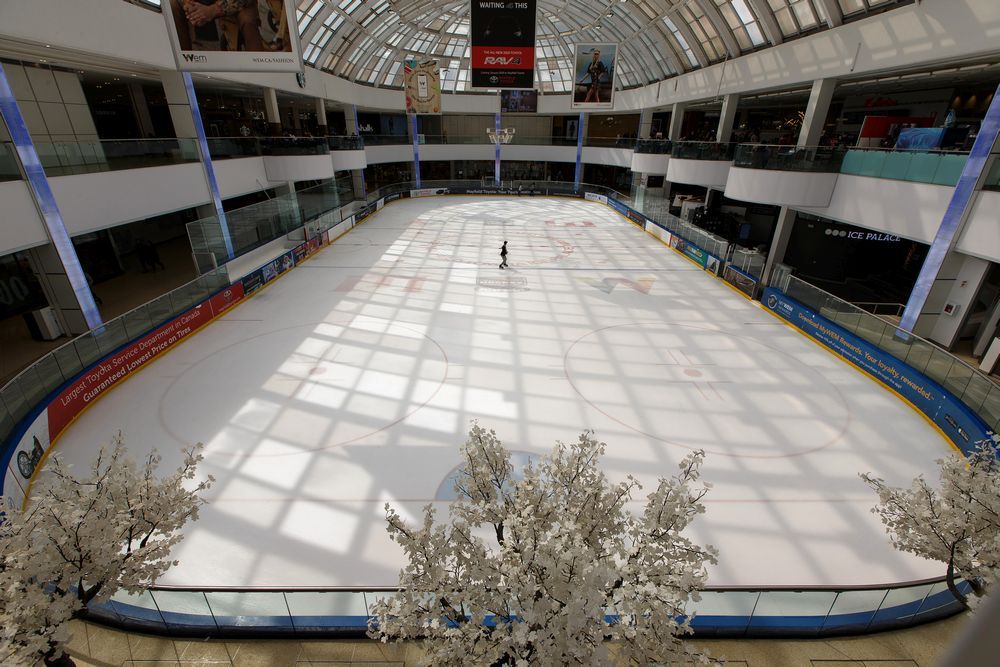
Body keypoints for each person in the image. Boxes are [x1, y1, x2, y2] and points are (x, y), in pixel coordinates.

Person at [170, 0, 263, 52]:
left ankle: (259, 71)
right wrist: (188, 4)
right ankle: (184, 63)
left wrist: (213, 10)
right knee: (173, 5)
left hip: (238, 4)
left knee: (247, 20)